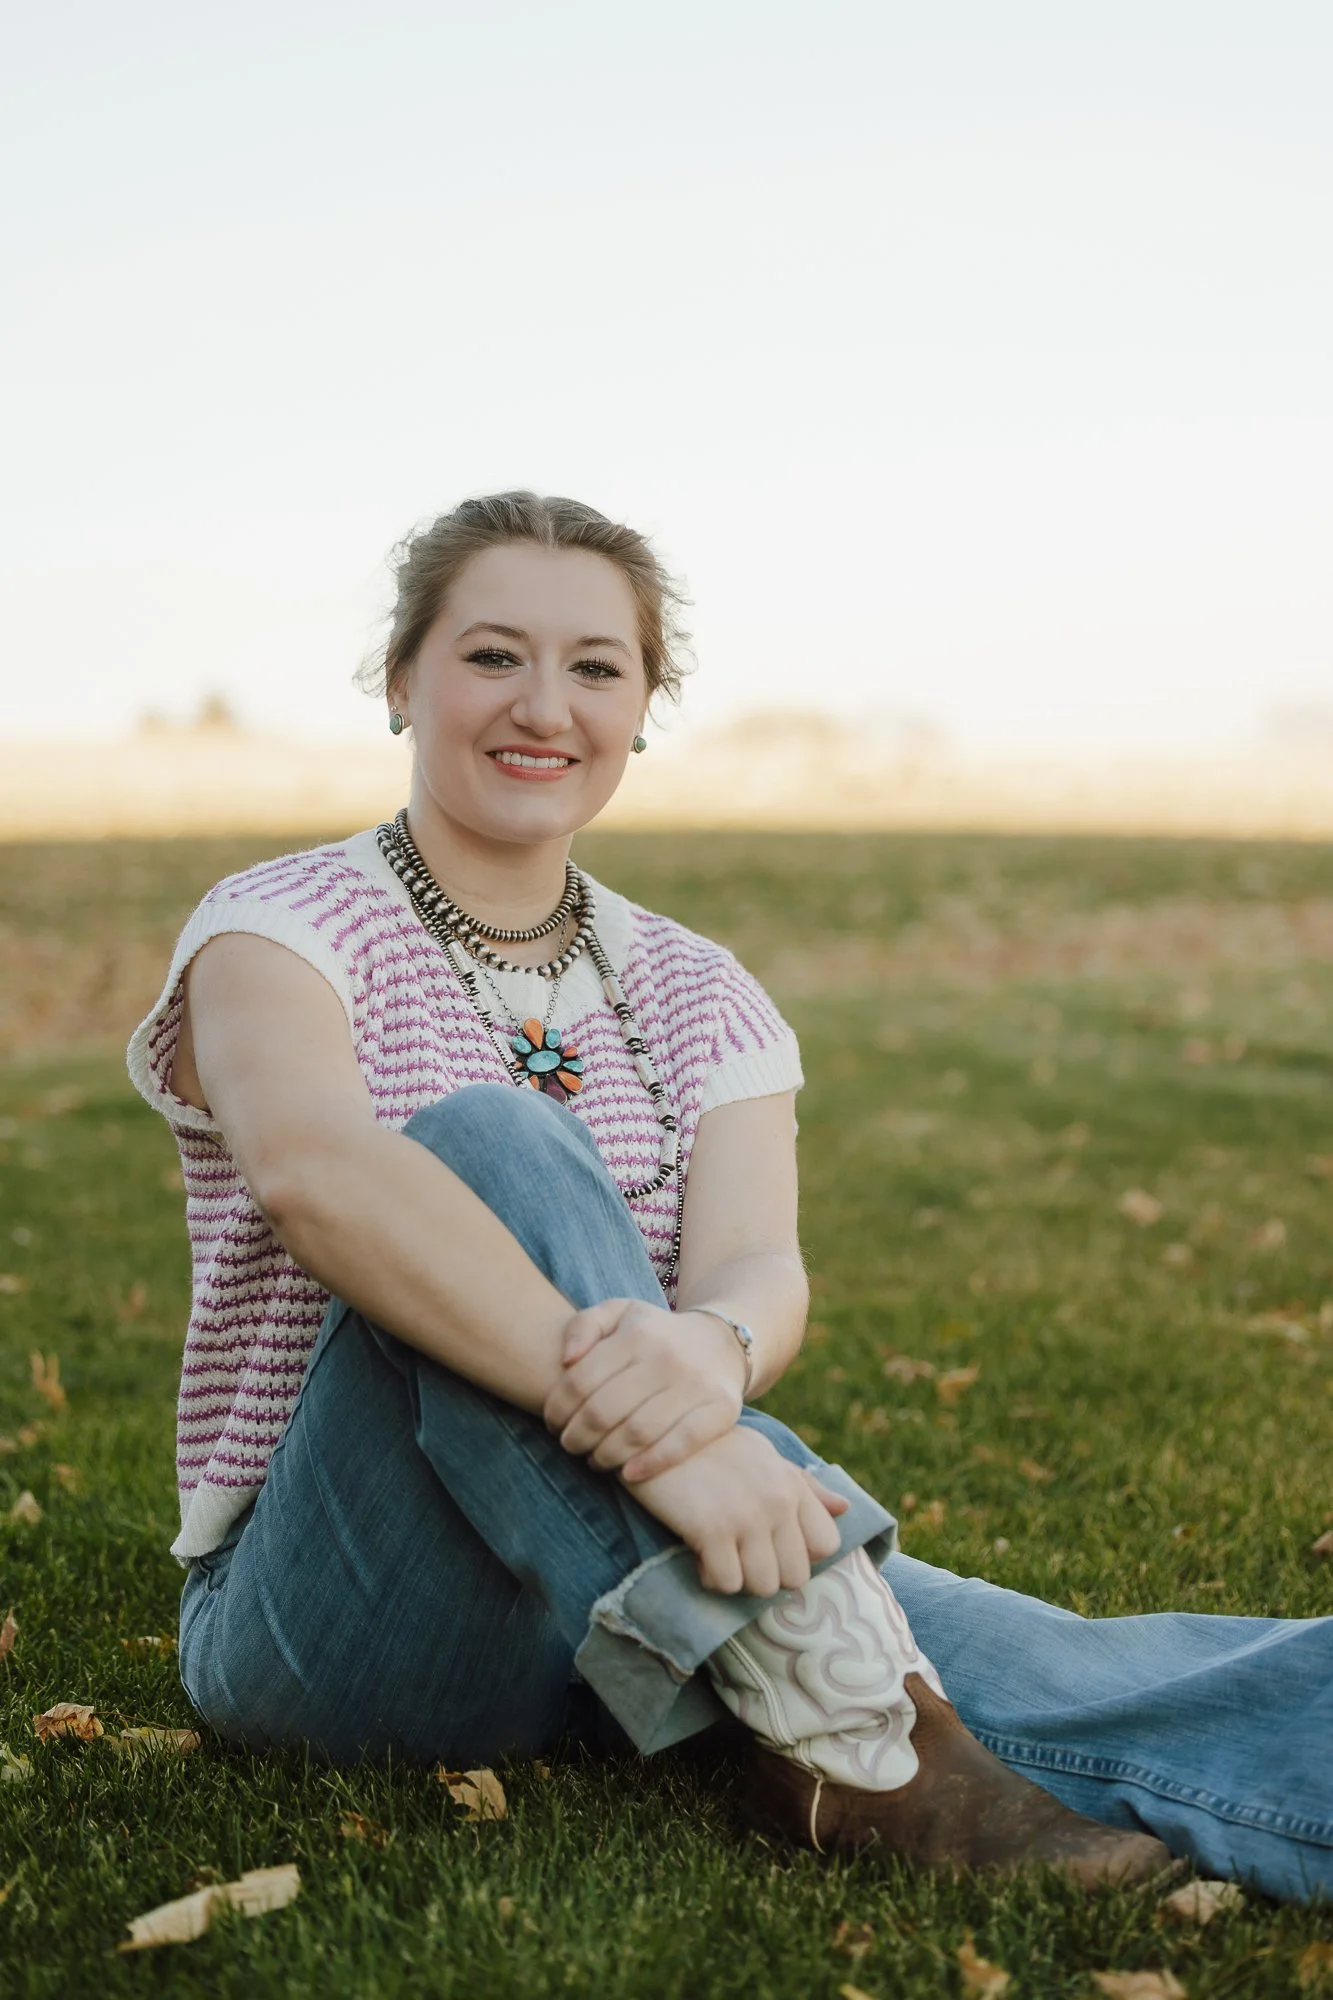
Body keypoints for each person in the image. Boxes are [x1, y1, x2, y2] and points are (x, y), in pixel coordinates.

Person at [127, 492, 1331, 1903]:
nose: (545, 706)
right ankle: (826, 1685)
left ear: (645, 706)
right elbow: (317, 1173)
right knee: (492, 1147)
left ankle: (833, 1703)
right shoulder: (280, 929)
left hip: (621, 1586)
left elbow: (759, 1271)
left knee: (1081, 1665)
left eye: (596, 668)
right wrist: (688, 1456)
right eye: (493, 655)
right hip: (345, 1609)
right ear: (404, 680)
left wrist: (715, 1354)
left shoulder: (704, 989)